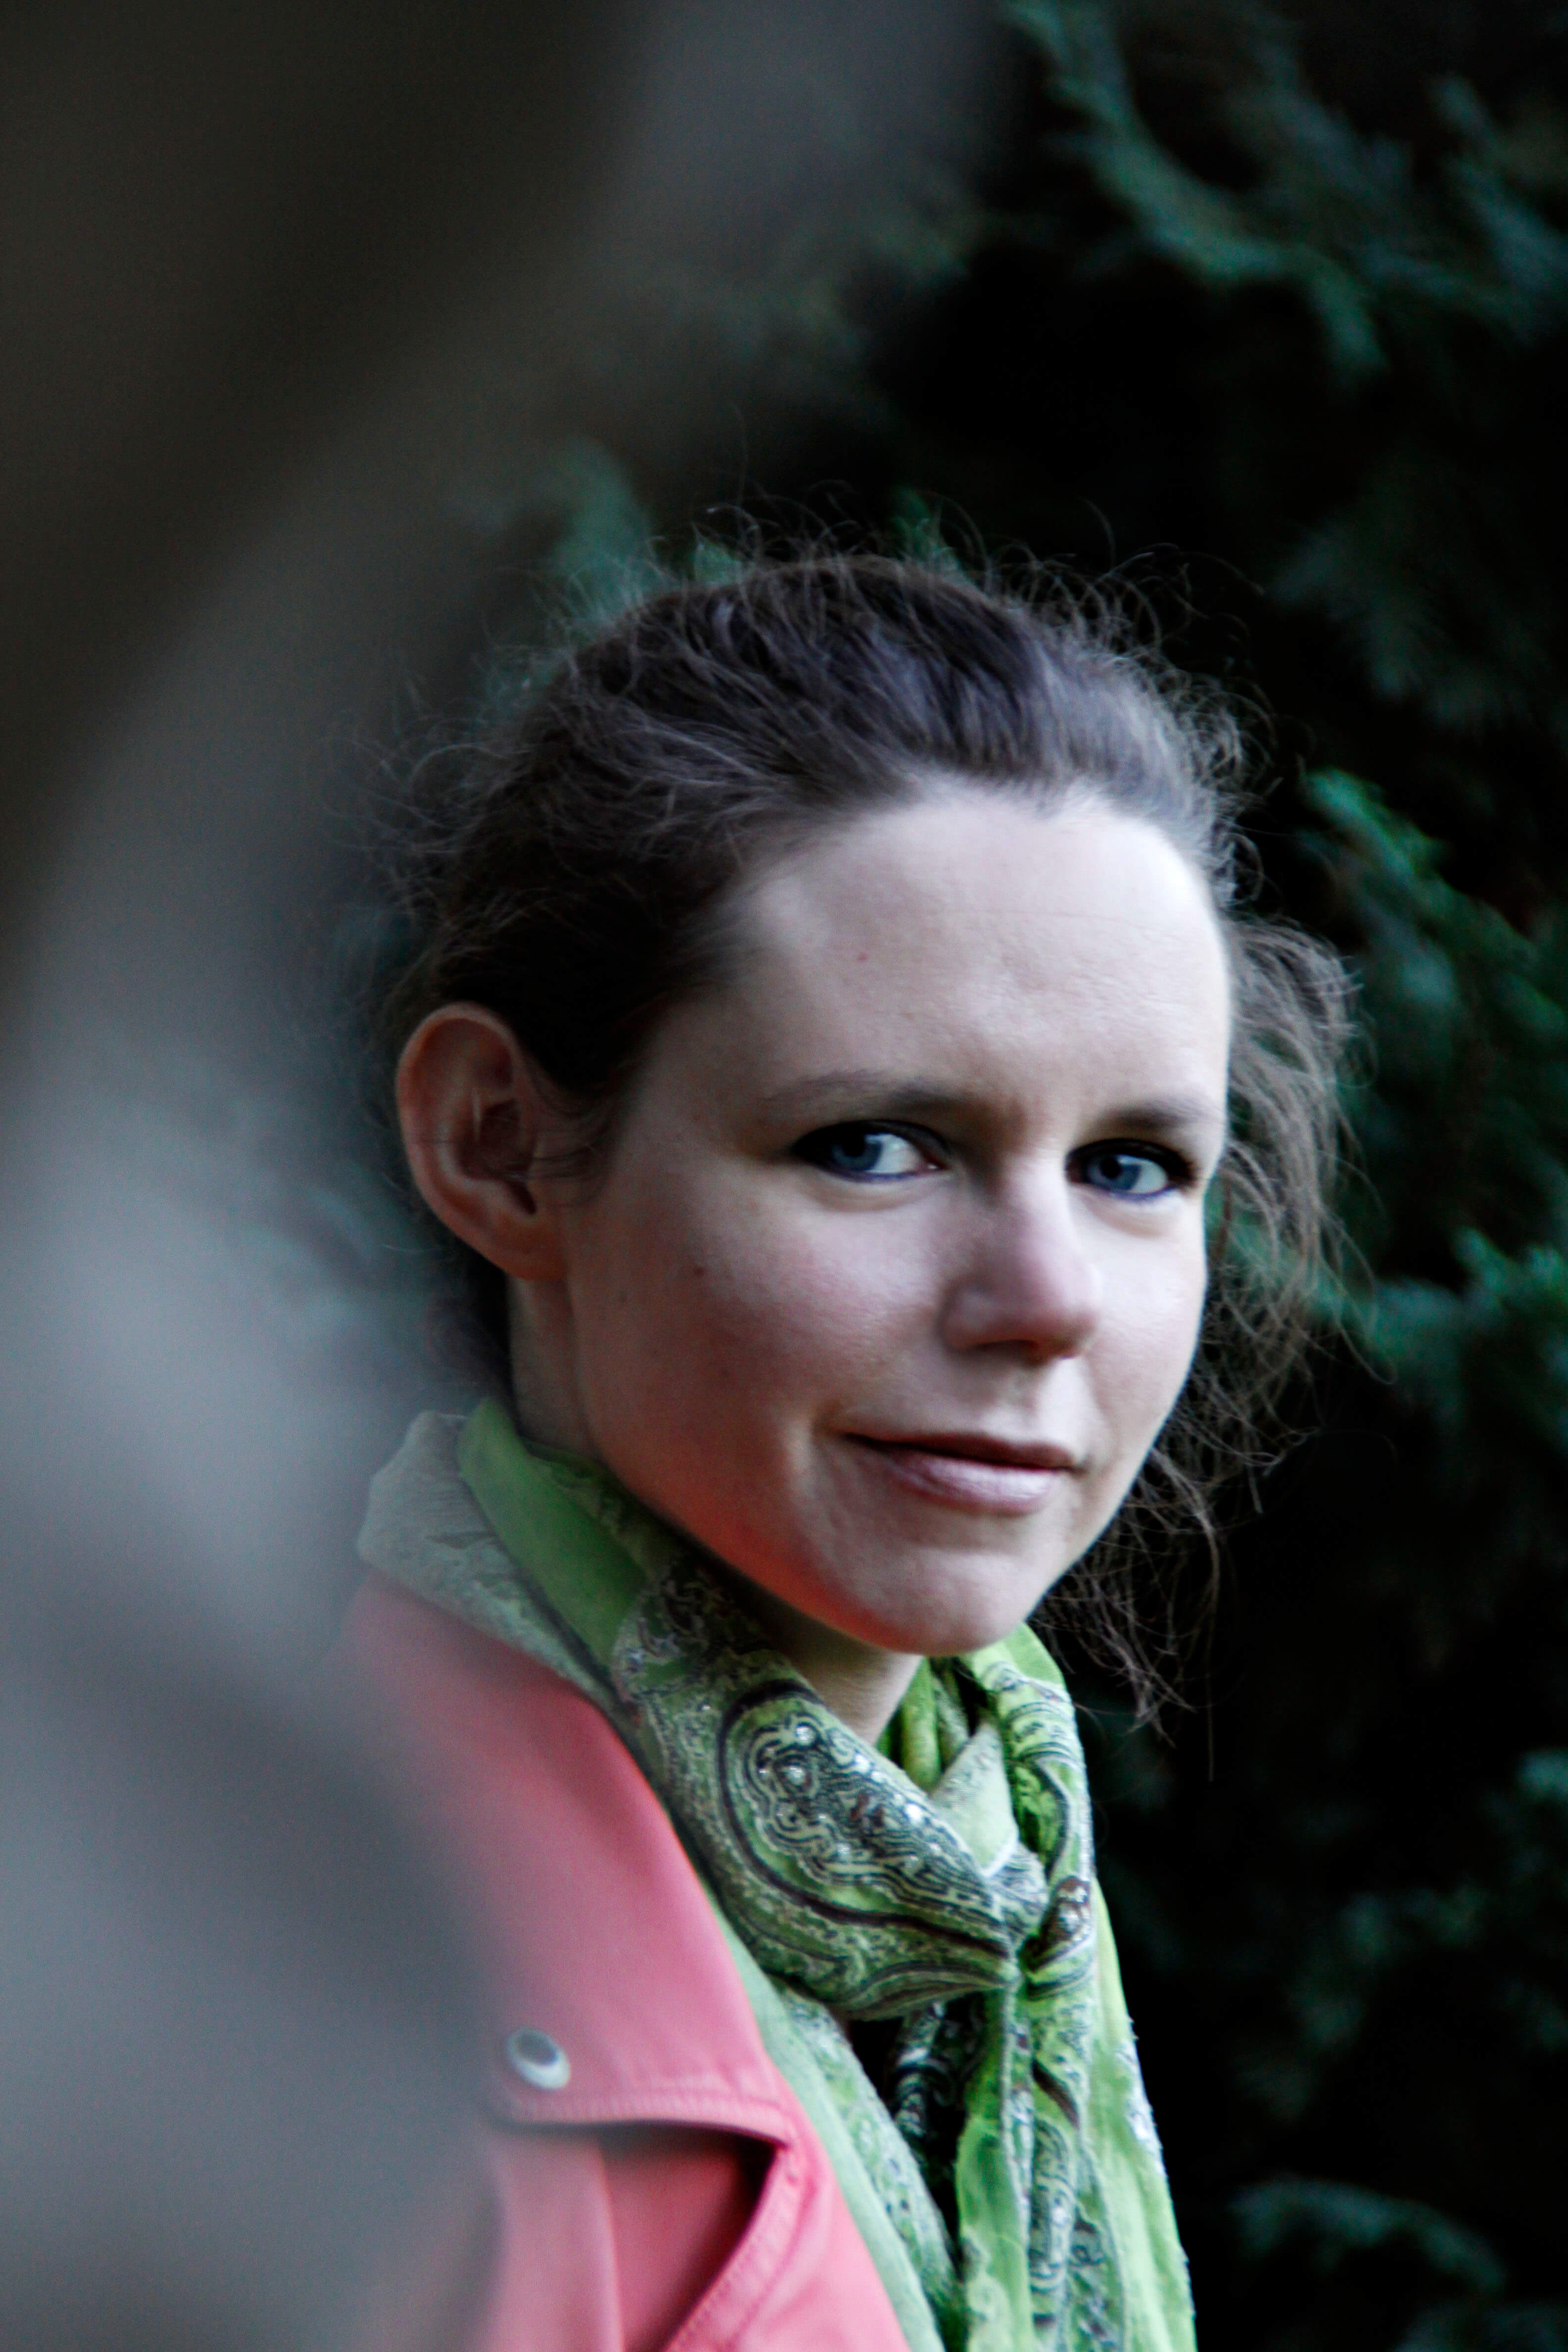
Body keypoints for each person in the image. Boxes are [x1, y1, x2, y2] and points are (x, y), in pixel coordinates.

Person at [335, 554, 1348, 2352]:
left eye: (1130, 1168)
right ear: (498, 1149)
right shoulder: (298, 2018)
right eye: (876, 1145)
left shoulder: (1001, 1914)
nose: (1048, 1301)